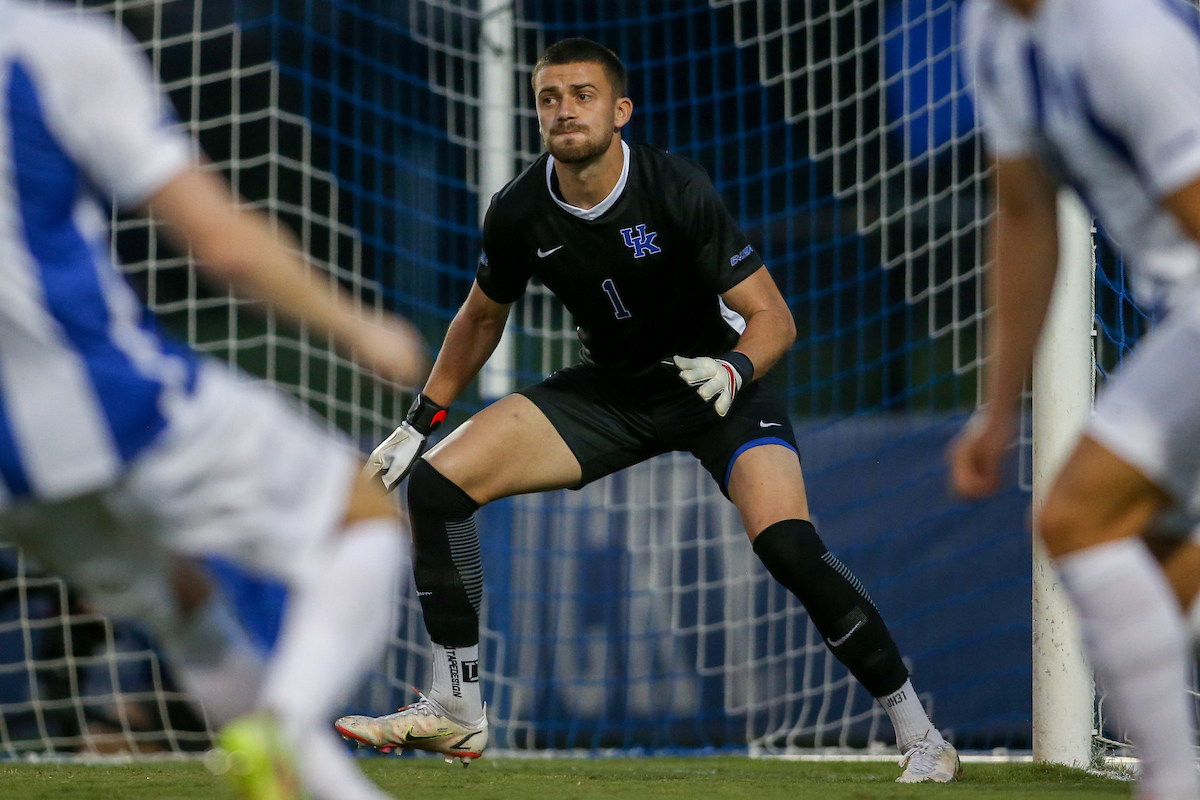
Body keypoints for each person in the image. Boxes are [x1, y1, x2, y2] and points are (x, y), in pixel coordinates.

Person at [334, 37, 960, 783]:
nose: (564, 110)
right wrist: (418, 421)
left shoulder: (676, 187)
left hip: (717, 389)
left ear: (621, 110)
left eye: (583, 95)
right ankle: (457, 709)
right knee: (438, 485)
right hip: (613, 391)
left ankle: (921, 734)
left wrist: (733, 370)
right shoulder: (520, 210)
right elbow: (479, 318)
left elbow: (775, 319)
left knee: (790, 547)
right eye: (549, 97)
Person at [0, 2, 429, 798]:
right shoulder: (55, 47)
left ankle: (294, 767)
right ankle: (286, 722)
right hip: (116, 399)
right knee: (363, 512)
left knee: (183, 599)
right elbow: (221, 243)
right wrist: (360, 327)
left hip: (13, 477)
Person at [951, 0, 1200, 796]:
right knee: (1161, 575)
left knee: (1077, 519)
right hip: (1180, 316)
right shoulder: (990, 30)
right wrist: (997, 409)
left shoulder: (1128, 38)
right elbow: (1026, 213)